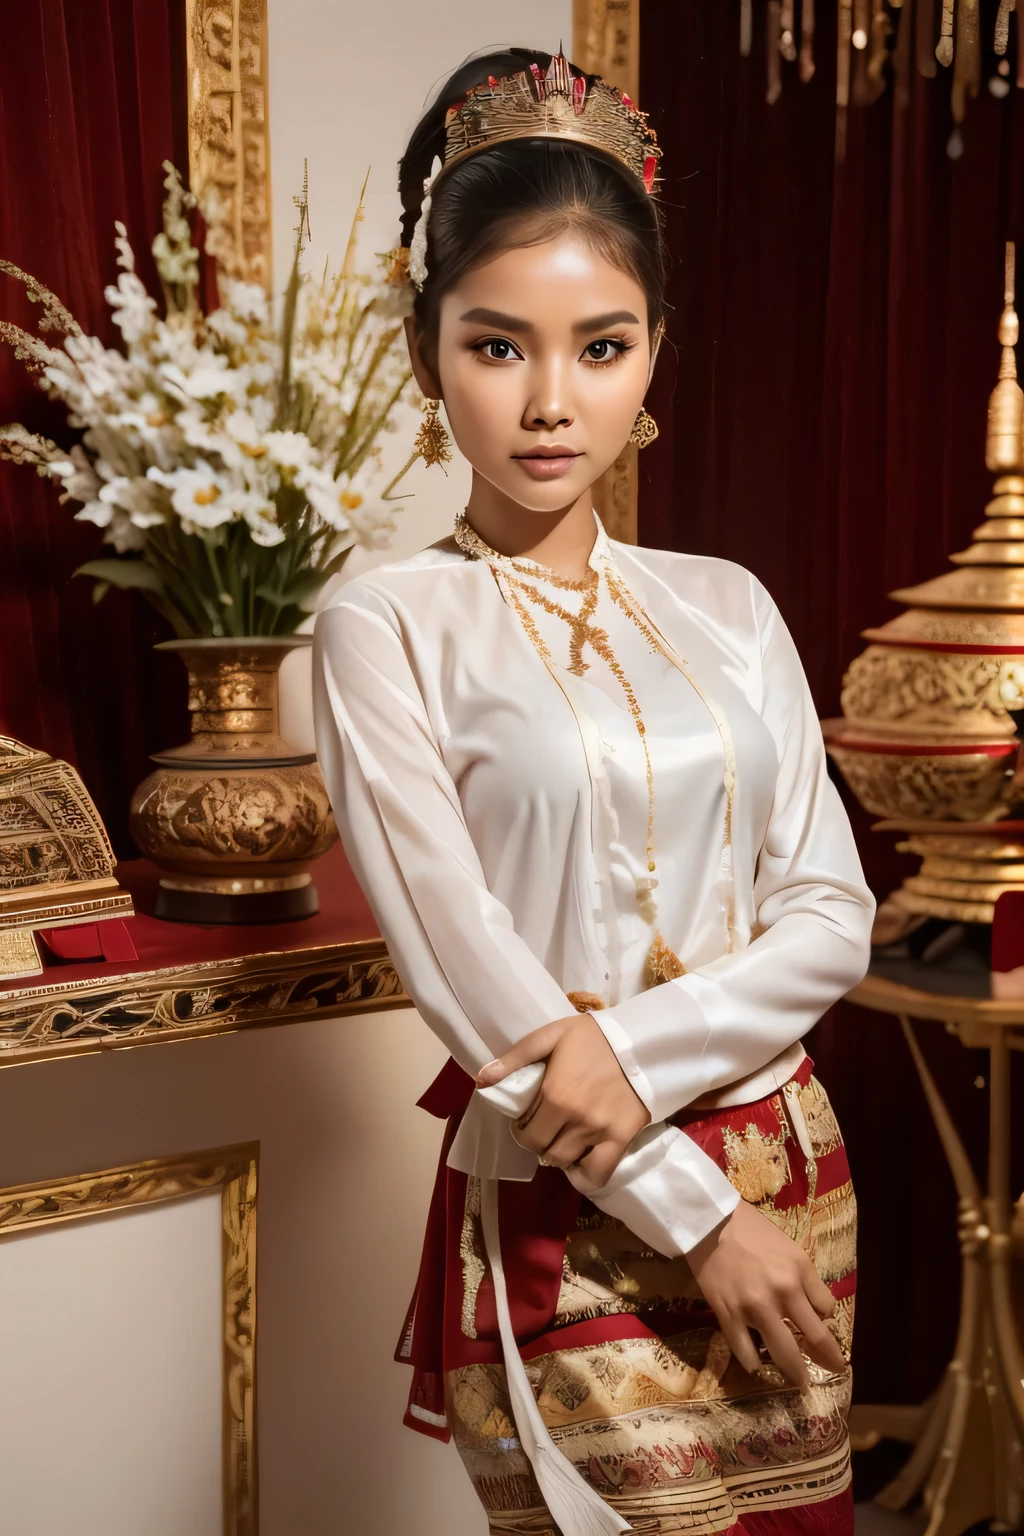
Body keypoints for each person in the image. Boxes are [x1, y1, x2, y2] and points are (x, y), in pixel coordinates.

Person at [313, 46, 875, 1536]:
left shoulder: (728, 603)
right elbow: (471, 981)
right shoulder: (385, 626)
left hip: (793, 1178)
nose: (551, 403)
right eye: (499, 347)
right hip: (591, 1211)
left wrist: (624, 1050)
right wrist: (699, 1218)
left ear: (656, 351)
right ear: (426, 349)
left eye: (601, 346)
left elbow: (830, 914)